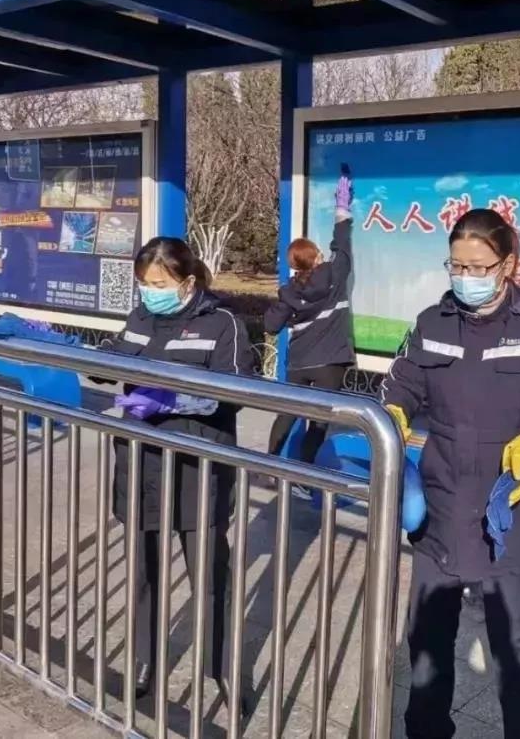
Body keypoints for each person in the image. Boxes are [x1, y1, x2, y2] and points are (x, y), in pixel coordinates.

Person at [381, 208, 520, 739]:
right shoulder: (432, 322)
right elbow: (401, 383)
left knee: (514, 647)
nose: (465, 277)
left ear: (508, 265)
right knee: (426, 637)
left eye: (478, 267)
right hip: (443, 505)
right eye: (456, 265)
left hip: (510, 508)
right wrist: (394, 410)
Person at [102, 237, 254, 700]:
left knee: (209, 575)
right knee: (144, 571)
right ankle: (145, 658)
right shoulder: (139, 317)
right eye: (144, 284)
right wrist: (60, 345)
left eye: (159, 284)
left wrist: (173, 400)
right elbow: (111, 359)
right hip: (142, 461)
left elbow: (237, 391)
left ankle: (222, 669)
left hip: (197, 466)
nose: (151, 293)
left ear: (187, 282)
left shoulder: (222, 323)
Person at [264, 162, 354, 468]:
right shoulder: (334, 275)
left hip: (299, 363)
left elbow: (270, 326)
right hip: (330, 362)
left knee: (287, 413)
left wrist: (286, 309)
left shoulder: (289, 291)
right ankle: (305, 472)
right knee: (318, 421)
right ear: (317, 256)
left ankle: (269, 463)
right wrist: (342, 207)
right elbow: (342, 245)